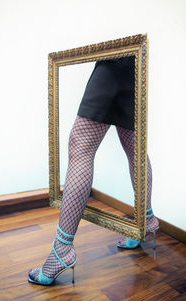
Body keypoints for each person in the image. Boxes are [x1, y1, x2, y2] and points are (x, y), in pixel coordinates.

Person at [28, 55, 159, 285]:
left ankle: (62, 248)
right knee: (133, 146)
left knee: (81, 144)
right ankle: (146, 220)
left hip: (116, 62)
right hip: (133, 60)